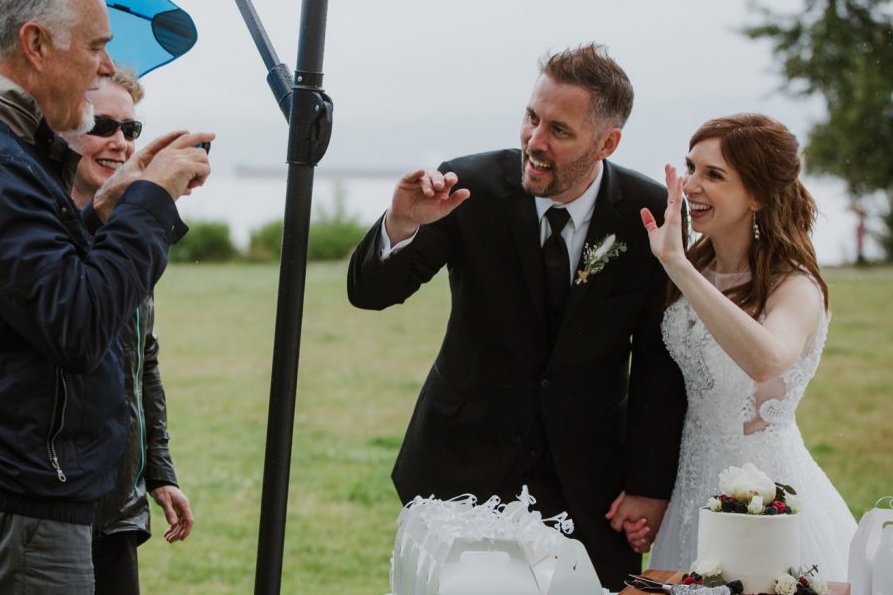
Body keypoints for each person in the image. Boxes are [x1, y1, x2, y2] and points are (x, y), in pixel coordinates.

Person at [0, 0, 212, 594]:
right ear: (35, 43)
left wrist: (107, 212)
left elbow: (25, 295)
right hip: (10, 513)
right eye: (96, 46)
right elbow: (79, 324)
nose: (104, 67)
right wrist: (151, 203)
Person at [347, 43, 688, 591]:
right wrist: (401, 224)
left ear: (607, 142)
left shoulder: (648, 213)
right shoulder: (468, 187)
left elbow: (658, 360)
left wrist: (649, 483)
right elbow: (370, 292)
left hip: (589, 480)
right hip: (461, 465)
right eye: (531, 118)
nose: (534, 141)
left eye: (559, 129)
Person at [637, 114, 857, 581]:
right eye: (690, 168)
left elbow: (767, 360)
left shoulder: (793, 283)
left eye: (713, 175)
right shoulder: (690, 267)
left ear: (756, 195)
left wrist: (679, 267)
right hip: (691, 484)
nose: (692, 185)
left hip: (765, 497)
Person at [64, 69, 195, 595]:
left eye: (131, 129)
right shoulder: (36, 230)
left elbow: (143, 358)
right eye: (102, 124)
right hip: (55, 502)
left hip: (118, 499)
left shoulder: (129, 234)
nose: (119, 142)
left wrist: (159, 470)